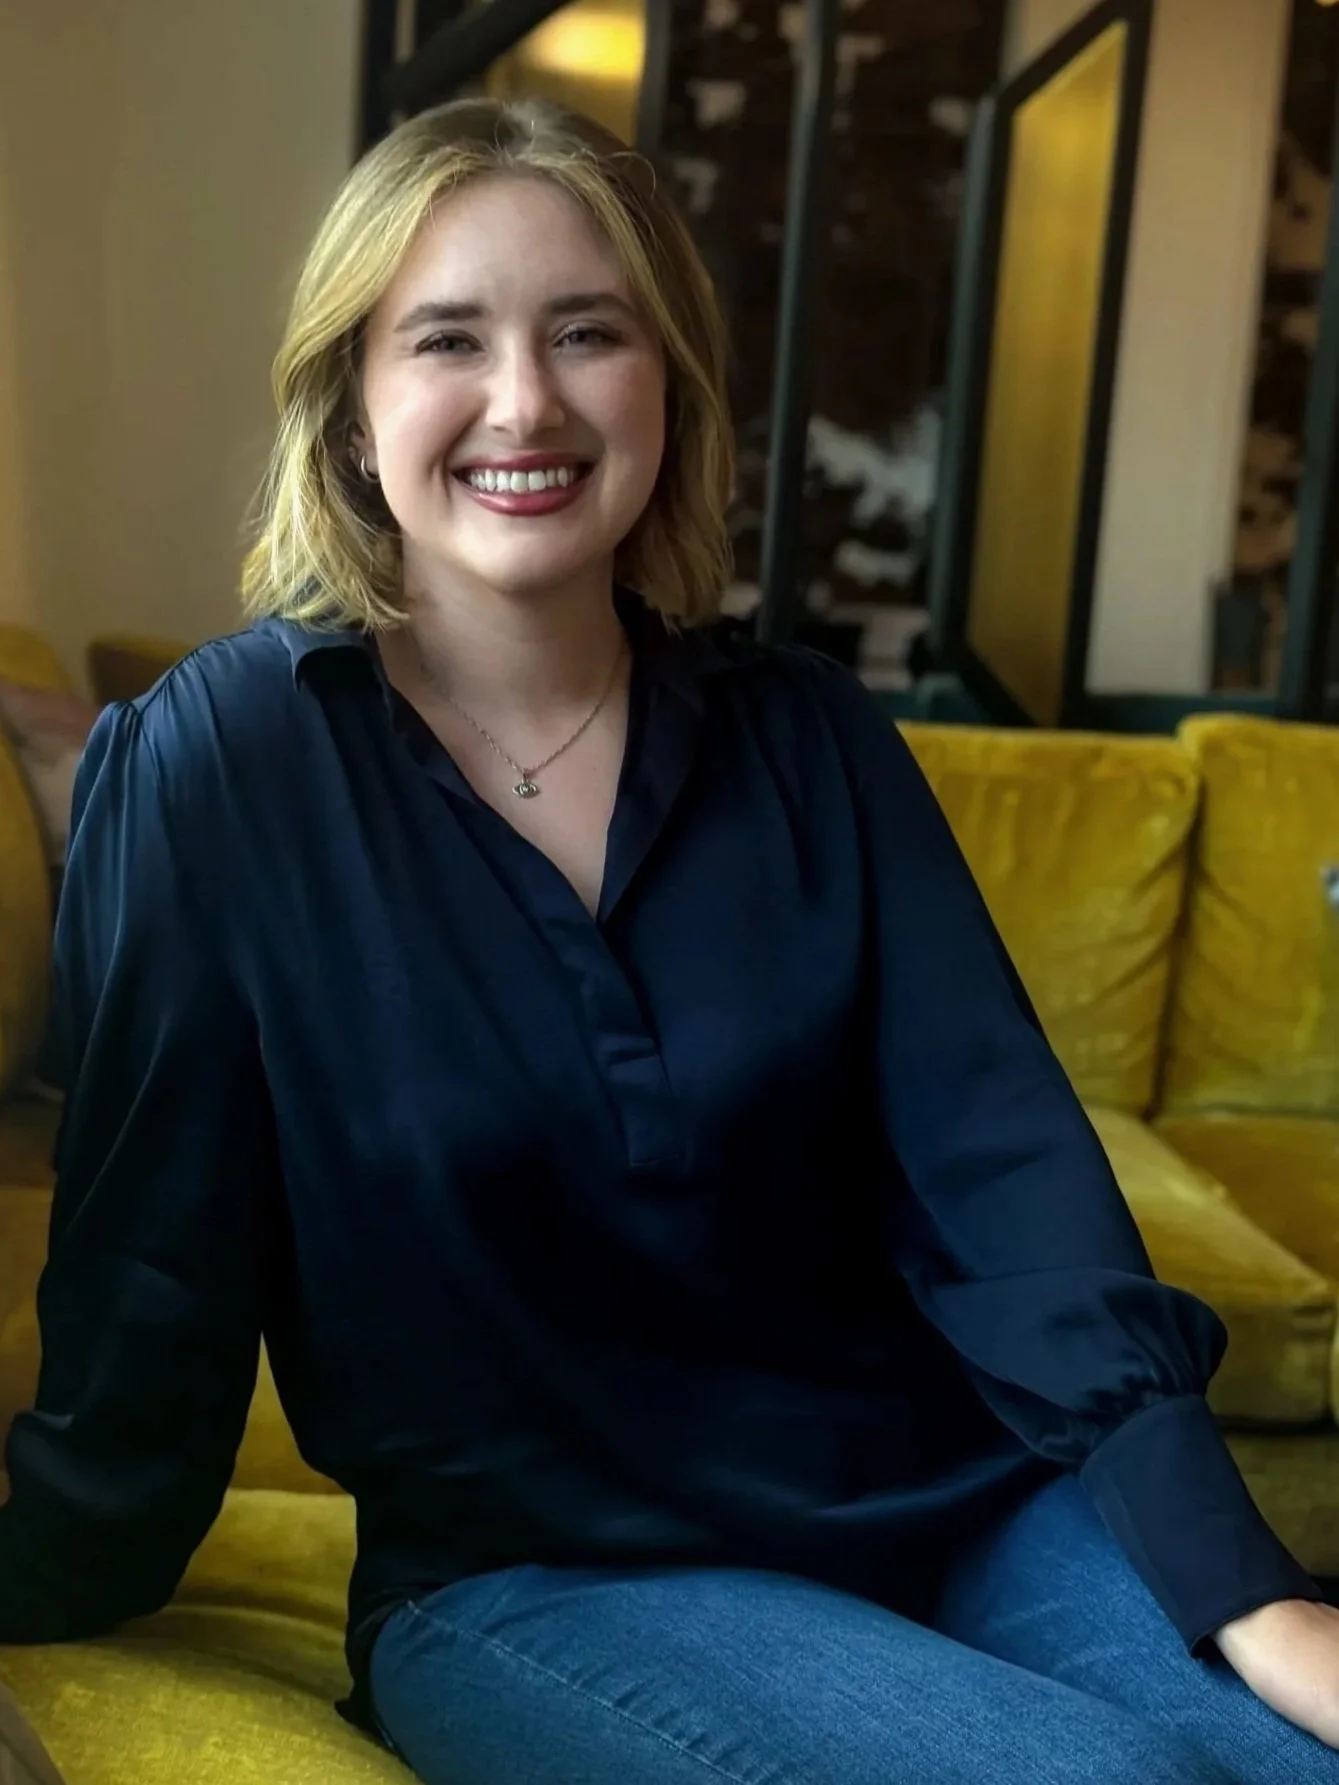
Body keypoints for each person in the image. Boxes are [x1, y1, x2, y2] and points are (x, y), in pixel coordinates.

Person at [0, 95, 1336, 1785]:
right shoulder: (218, 768)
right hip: (548, 1585)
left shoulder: (811, 742)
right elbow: (151, 1279)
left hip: (963, 1506)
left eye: (586, 333)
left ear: (666, 384)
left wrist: (1252, 1599)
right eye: (447, 341)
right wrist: (48, 1582)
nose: (525, 401)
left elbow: (1014, 1198)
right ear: (350, 409)